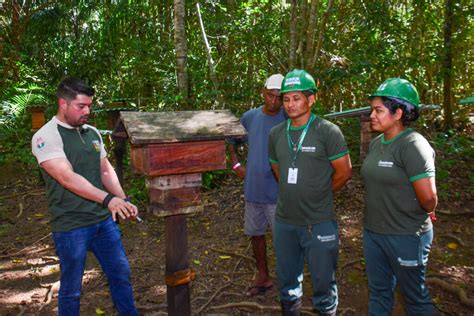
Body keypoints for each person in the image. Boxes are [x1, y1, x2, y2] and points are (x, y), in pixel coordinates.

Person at [31, 77, 139, 316]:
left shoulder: (92, 133)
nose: (87, 111)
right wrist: (109, 200)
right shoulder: (45, 137)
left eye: (89, 105)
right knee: (72, 289)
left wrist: (123, 199)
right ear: (63, 104)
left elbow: (104, 169)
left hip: (103, 221)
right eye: (81, 106)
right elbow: (67, 178)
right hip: (71, 225)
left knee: (121, 275)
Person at [268, 69, 352, 315]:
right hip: (285, 222)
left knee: (324, 284)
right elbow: (277, 169)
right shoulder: (276, 134)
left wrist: (320, 193)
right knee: (287, 284)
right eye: (286, 99)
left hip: (319, 221)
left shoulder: (328, 131)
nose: (290, 104)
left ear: (311, 99)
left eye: (296, 98)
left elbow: (344, 172)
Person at [361, 78, 437, 315]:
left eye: (378, 110)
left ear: (398, 113)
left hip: (405, 235)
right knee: (379, 292)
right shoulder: (376, 144)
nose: (372, 115)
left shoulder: (413, 145)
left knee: (415, 298)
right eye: (372, 109)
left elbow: (429, 199)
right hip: (374, 233)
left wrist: (424, 208)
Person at [228, 73, 285, 297]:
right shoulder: (249, 117)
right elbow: (232, 140)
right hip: (253, 190)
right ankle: (263, 276)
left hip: (278, 192)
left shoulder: (288, 118)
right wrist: (236, 165)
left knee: (282, 238)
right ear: (263, 92)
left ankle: (288, 281)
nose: (274, 101)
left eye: (279, 97)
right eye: (270, 96)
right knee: (256, 234)